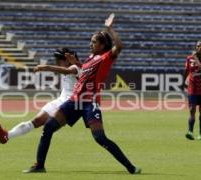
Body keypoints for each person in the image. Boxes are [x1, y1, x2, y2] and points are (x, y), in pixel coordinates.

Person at [23, 13, 141, 174]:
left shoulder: (106, 58)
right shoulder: (91, 57)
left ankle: (131, 167)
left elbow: (119, 46)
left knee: (99, 138)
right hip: (75, 100)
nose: (90, 44)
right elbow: (84, 71)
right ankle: (39, 165)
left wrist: (110, 29)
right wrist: (76, 63)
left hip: (89, 101)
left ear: (102, 45)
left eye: (93, 42)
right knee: (48, 127)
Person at [0, 48, 81, 144]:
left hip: (70, 105)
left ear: (67, 59)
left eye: (58, 61)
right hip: (60, 101)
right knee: (36, 121)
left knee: (47, 128)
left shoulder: (76, 67)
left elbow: (66, 71)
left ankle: (40, 158)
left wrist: (46, 67)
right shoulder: (68, 67)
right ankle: (6, 135)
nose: (57, 63)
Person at [184, 40, 201, 140]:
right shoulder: (189, 59)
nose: (199, 48)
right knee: (192, 110)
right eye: (198, 46)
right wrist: (184, 83)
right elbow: (186, 71)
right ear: (196, 47)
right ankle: (190, 131)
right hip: (192, 88)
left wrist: (195, 58)